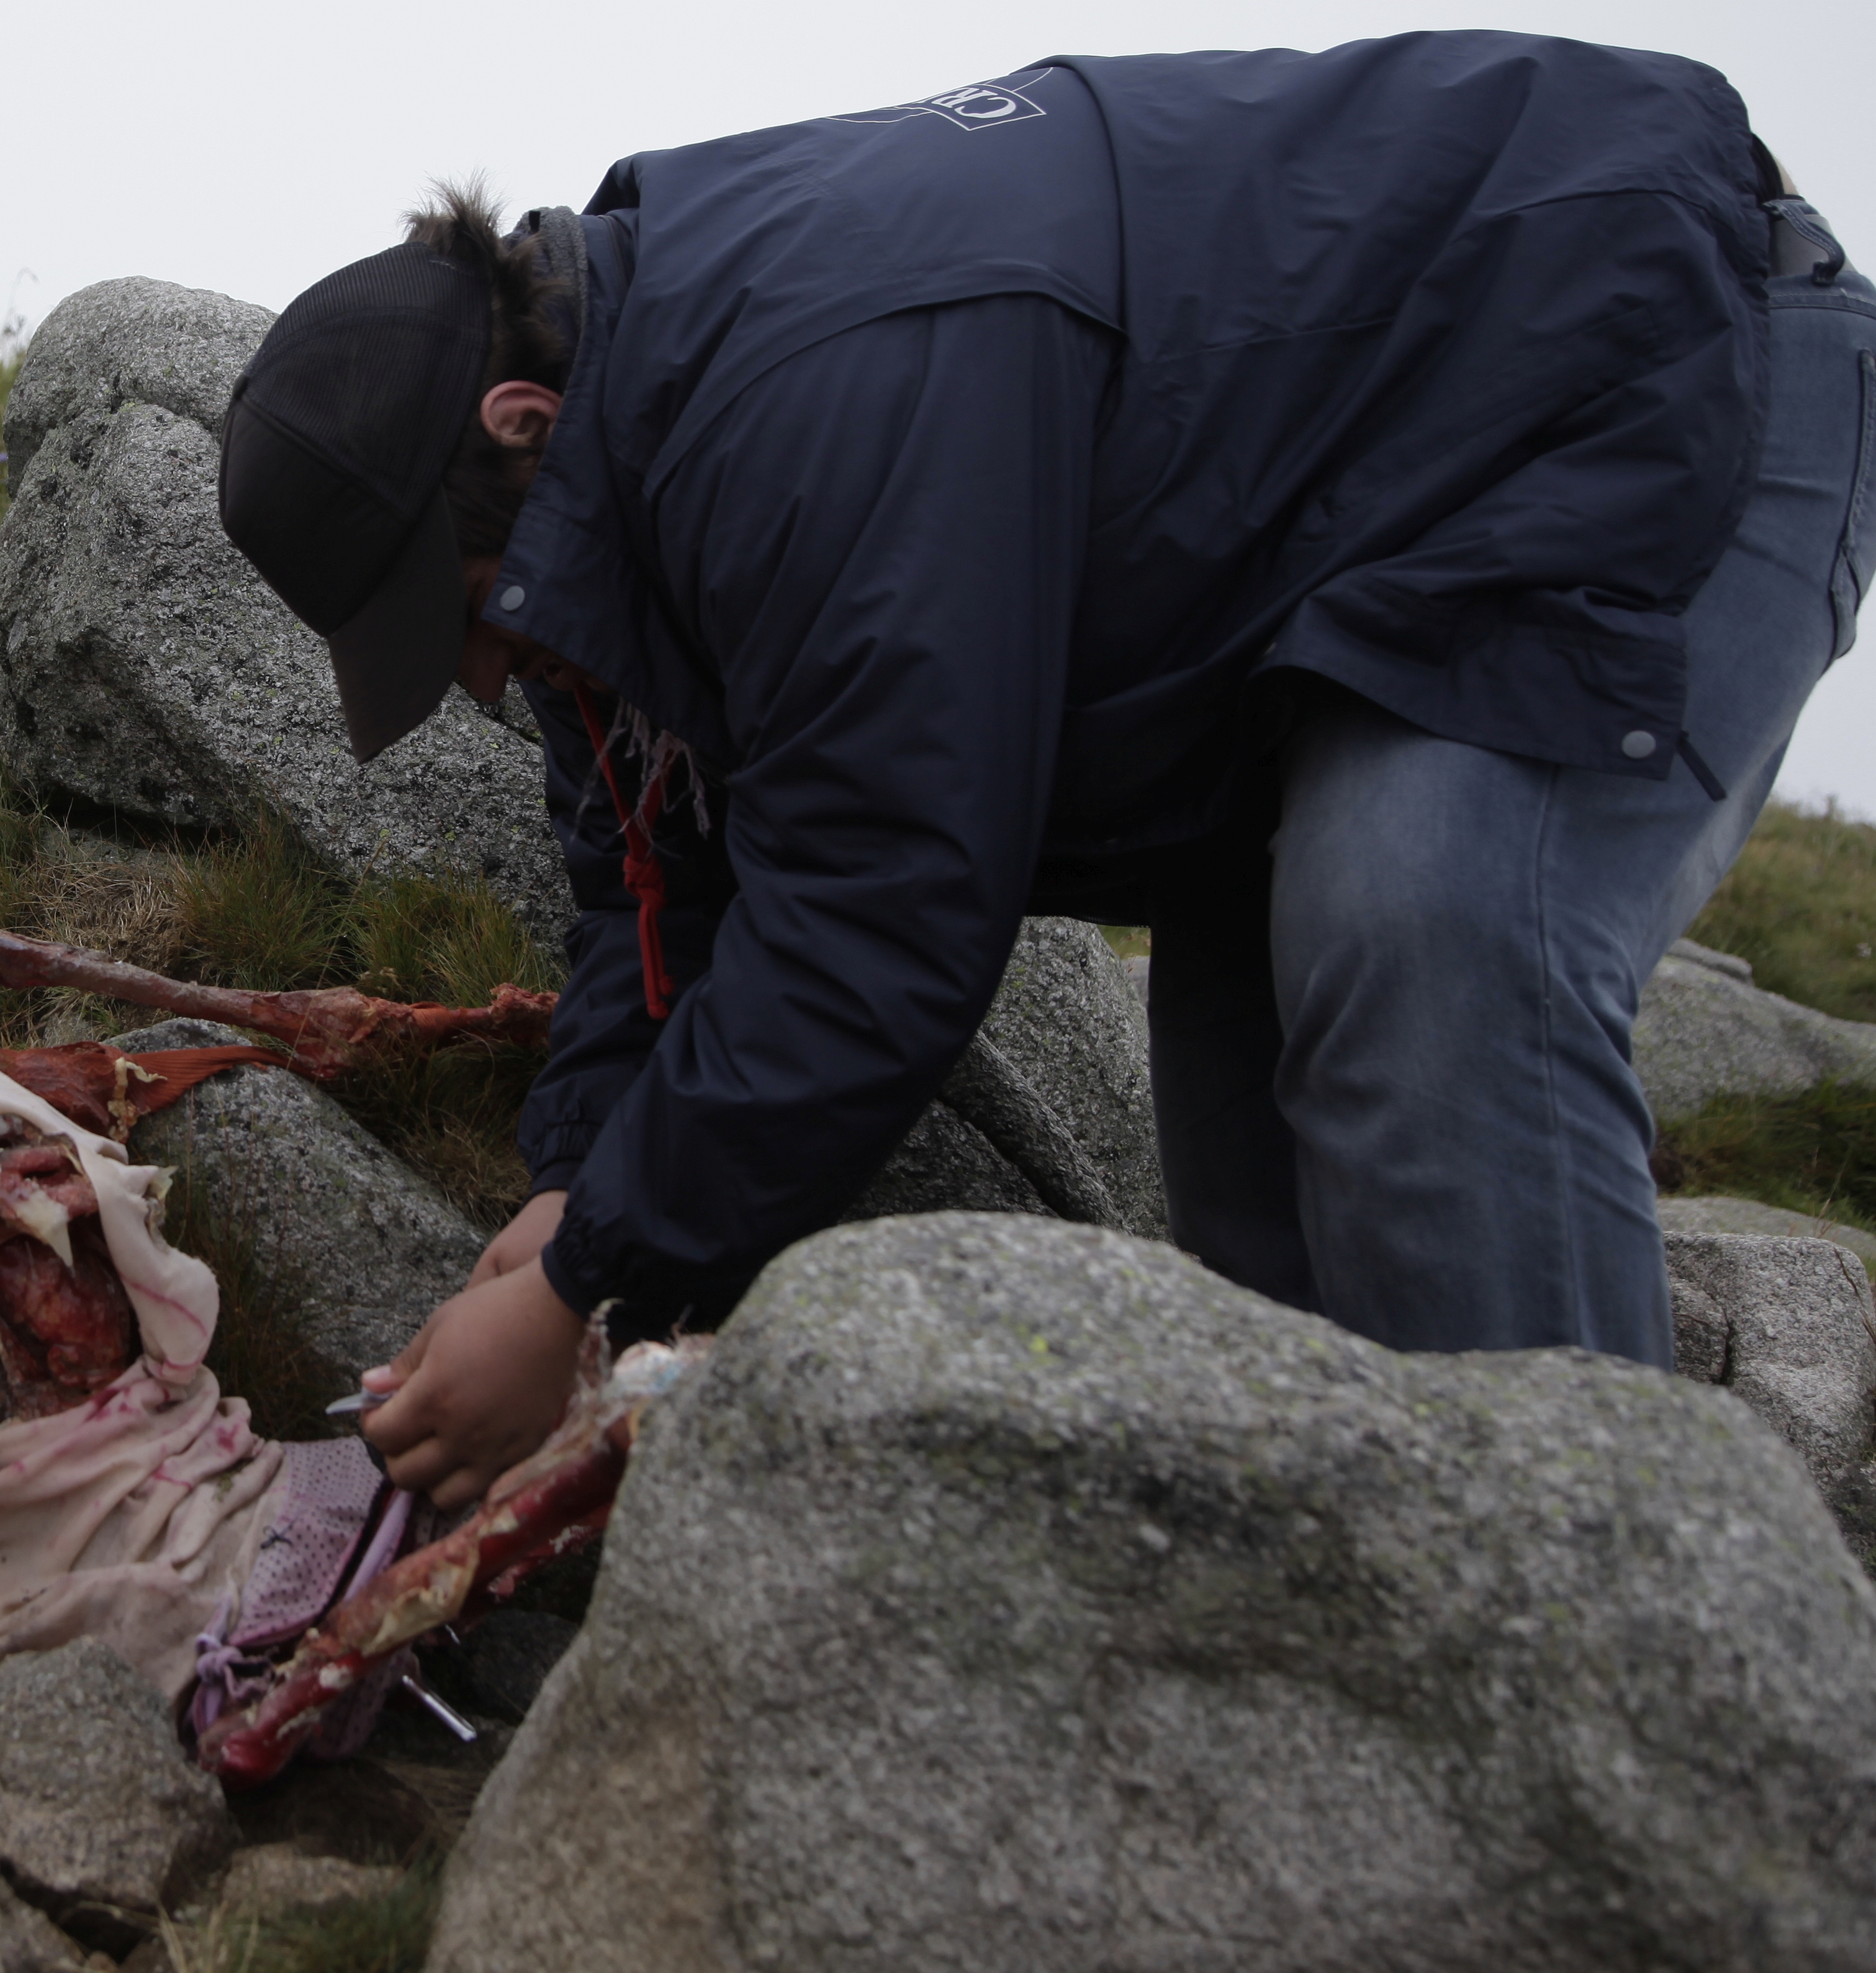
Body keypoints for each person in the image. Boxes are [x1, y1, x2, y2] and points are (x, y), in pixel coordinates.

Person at [212, 30, 1876, 1509]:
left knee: (1425, 930)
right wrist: (582, 1173)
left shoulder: (807, 386)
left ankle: (1614, 1669)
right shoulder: (605, 516)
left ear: (517, 421)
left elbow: (885, 917)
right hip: (1324, 568)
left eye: (462, 624)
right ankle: (1368, 1705)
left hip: (1648, 335)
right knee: (1248, 1174)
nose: (488, 675)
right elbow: (653, 896)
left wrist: (580, 1279)